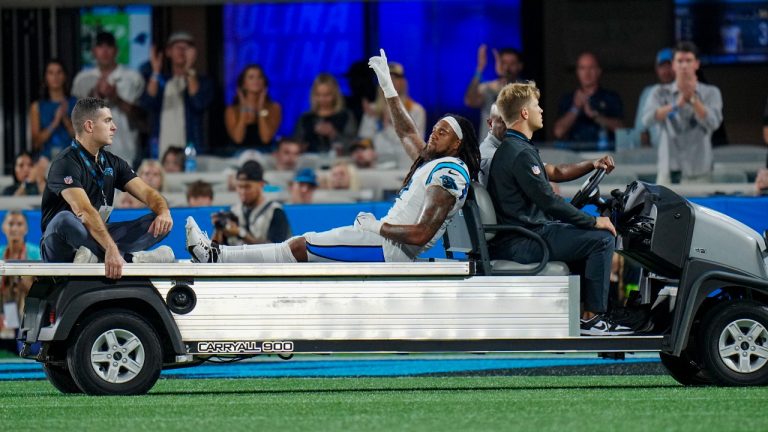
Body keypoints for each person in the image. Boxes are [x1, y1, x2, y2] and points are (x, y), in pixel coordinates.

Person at [185, 49, 480, 264]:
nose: (433, 133)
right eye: (435, 128)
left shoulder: (450, 173)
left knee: (300, 247)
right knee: (298, 246)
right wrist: (388, 88)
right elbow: (406, 134)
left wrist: (377, 227)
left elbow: (419, 233)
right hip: (385, 242)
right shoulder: (435, 162)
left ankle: (216, 257)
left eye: (443, 132)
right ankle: (217, 255)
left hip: (390, 248)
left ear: (457, 145)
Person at [487, 82, 630, 335]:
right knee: (602, 239)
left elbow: (555, 174)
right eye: (536, 105)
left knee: (581, 235)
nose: (541, 110)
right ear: (524, 113)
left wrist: (591, 165)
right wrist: (593, 221)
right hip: (525, 241)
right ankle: (595, 317)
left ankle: (581, 315)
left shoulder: (517, 148)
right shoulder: (519, 153)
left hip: (524, 234)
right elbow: (549, 202)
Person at [40, 98, 175, 280]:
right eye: (107, 120)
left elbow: (148, 193)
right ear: (89, 126)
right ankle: (131, 259)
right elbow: (84, 211)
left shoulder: (113, 162)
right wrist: (111, 248)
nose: (114, 127)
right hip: (61, 246)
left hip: (97, 239)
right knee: (65, 220)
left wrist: (164, 211)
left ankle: (94, 257)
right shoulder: (65, 163)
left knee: (157, 221)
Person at [642, 42, 723, 185]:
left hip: (700, 173)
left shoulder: (711, 92)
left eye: (689, 60)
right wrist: (675, 105)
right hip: (668, 174)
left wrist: (693, 99)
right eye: (680, 61)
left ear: (696, 64)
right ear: (673, 65)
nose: (684, 65)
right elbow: (647, 120)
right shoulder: (659, 92)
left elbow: (714, 123)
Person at [71, 31, 146, 166]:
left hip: (126, 154)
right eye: (100, 46)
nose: (104, 51)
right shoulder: (82, 80)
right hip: (90, 156)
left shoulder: (133, 78)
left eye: (109, 46)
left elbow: (143, 119)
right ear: (94, 51)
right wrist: (93, 95)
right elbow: (75, 121)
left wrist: (116, 98)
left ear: (116, 50)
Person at [142, 31, 214, 158]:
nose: (182, 51)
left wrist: (189, 69)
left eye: (186, 48)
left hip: (191, 151)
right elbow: (148, 102)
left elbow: (198, 103)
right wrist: (155, 72)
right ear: (169, 52)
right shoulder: (161, 81)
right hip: (160, 149)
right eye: (177, 47)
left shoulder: (203, 82)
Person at [359, 61, 426, 168]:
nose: (391, 81)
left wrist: (391, 120)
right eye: (387, 78)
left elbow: (417, 144)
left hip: (405, 166)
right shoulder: (372, 110)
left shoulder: (416, 110)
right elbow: (365, 140)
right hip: (378, 166)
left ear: (403, 82)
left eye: (395, 78)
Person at [553, 52, 624, 148]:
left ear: (599, 71)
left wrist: (595, 116)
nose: (587, 73)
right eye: (582, 68)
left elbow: (621, 130)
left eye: (591, 68)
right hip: (575, 157)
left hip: (604, 156)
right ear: (577, 72)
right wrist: (575, 108)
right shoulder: (568, 99)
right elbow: (558, 132)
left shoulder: (611, 97)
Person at [212, 160, 290, 246]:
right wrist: (218, 230)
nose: (243, 191)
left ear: (261, 185)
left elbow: (276, 250)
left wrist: (241, 233)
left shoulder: (275, 212)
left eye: (247, 187)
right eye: (239, 186)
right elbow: (214, 251)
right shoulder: (232, 212)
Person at [465, 45, 524, 138]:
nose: (507, 68)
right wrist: (480, 69)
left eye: (512, 64)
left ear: (519, 66)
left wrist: (505, 80)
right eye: (504, 63)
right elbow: (470, 101)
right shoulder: (489, 87)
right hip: (488, 149)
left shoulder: (525, 89)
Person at [0, 211, 41, 344]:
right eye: (11, 224)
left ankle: (26, 333)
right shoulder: (1, 253)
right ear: (3, 227)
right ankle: (8, 335)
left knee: (26, 276)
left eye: (19, 224)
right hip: (5, 302)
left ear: (26, 229)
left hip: (28, 300)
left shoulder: (35, 253)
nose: (15, 228)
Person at [223, 64, 282, 156]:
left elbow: (265, 138)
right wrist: (243, 110)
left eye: (260, 77)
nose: (256, 81)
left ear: (264, 82)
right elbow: (238, 139)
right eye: (251, 77)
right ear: (243, 84)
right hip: (237, 154)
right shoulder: (231, 110)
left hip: (265, 153)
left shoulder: (274, 107)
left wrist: (261, 108)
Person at [294, 73, 357, 154]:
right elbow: (295, 144)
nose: (322, 99)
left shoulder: (346, 116)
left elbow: (354, 146)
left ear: (335, 95)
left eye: (326, 95)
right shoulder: (305, 118)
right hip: (309, 163)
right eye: (318, 95)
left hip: (339, 163)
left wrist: (333, 134)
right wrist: (300, 147)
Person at [29, 59, 77, 160]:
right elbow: (36, 143)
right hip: (45, 160)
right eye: (51, 73)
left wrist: (65, 119)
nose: (55, 77)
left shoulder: (76, 103)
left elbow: (83, 138)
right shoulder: (36, 106)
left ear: (64, 76)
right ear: (45, 77)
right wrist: (55, 122)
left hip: (71, 159)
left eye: (59, 72)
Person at [633, 48, 675, 148]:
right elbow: (641, 130)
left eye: (670, 66)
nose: (666, 71)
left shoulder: (686, 91)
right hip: (657, 154)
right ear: (657, 69)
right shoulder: (648, 93)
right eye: (662, 66)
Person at [478, 103, 508, 186]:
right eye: (502, 121)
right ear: (490, 123)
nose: (508, 126)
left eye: (511, 121)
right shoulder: (490, 158)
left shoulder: (511, 146)